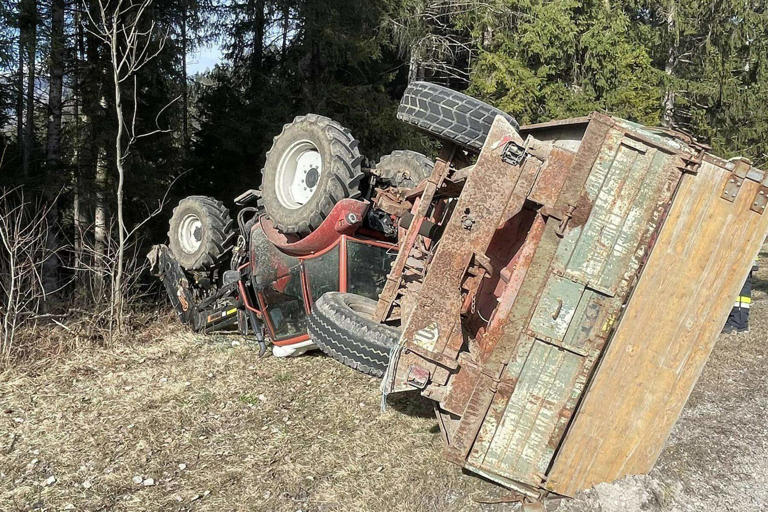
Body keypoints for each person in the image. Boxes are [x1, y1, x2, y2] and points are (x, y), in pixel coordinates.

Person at [723, 257, 759, 333]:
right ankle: (738, 322)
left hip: (744, 257)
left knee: (741, 289)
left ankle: (737, 323)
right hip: (743, 256)